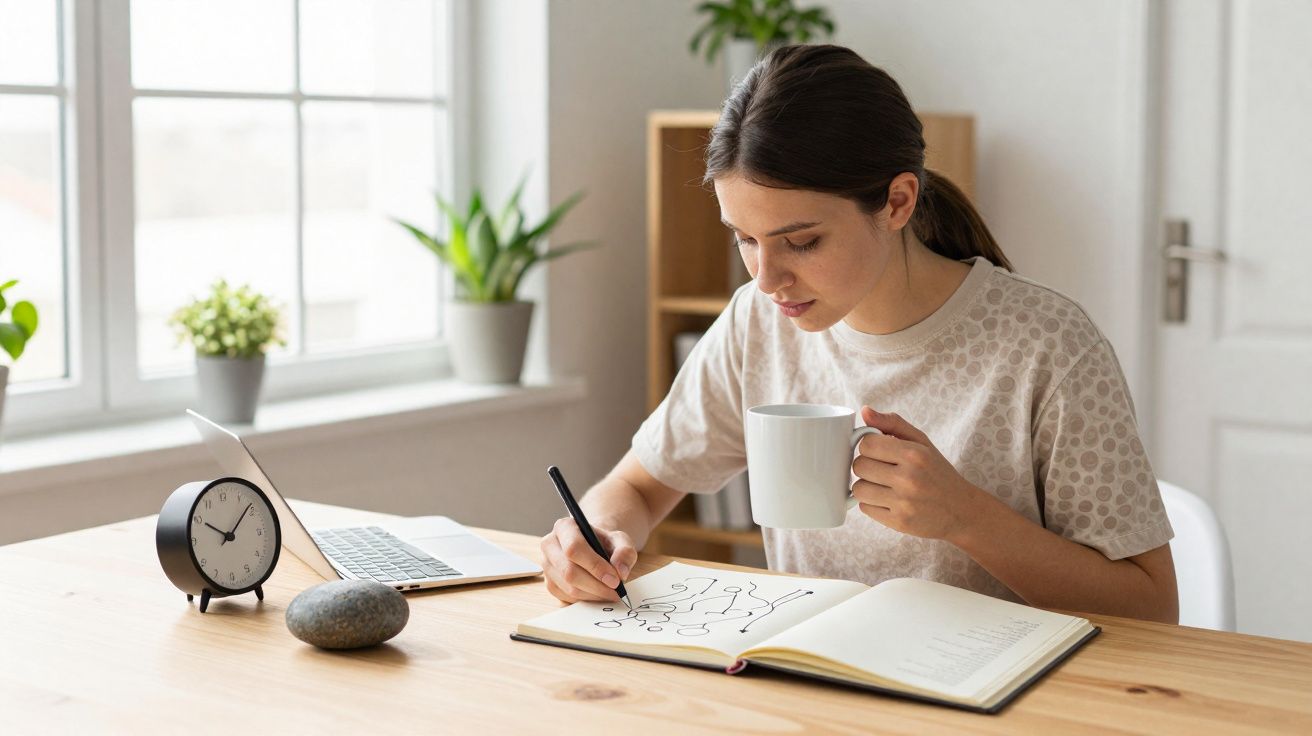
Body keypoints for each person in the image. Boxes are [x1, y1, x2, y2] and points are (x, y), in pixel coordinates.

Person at [540, 44, 1178, 623]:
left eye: (802, 242)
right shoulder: (757, 322)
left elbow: (1152, 608)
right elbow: (637, 487)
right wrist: (592, 534)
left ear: (898, 202)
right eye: (744, 241)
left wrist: (965, 517)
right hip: (812, 686)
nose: (767, 279)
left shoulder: (1048, 345)